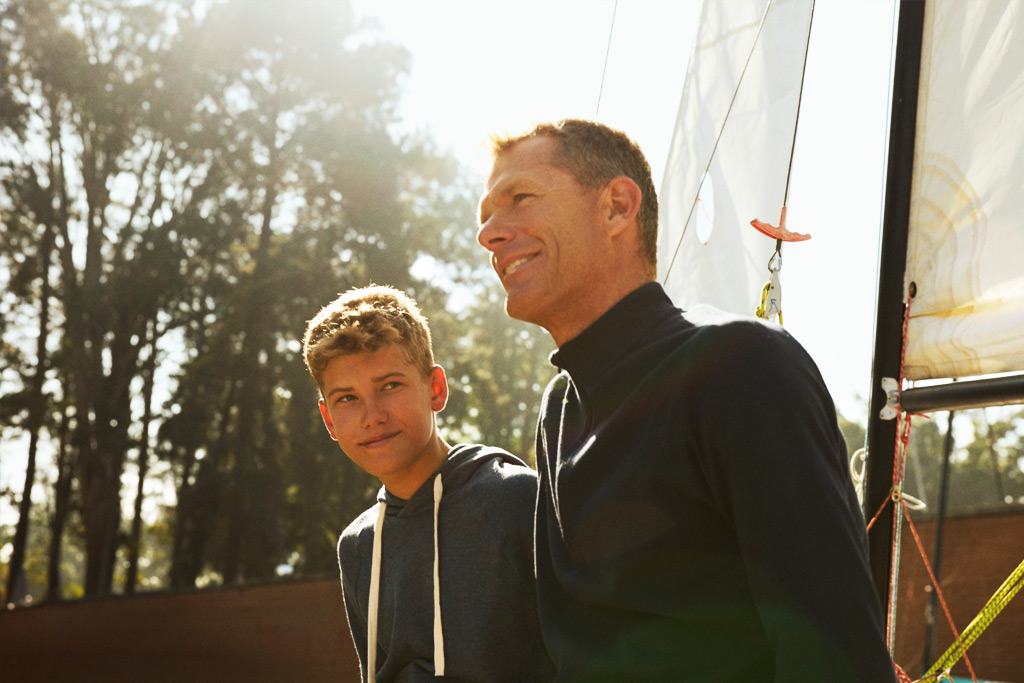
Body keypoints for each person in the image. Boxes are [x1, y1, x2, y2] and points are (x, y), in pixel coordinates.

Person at [476, 119, 898, 682]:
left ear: (617, 207)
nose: (488, 234)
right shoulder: (560, 409)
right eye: (484, 217)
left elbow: (834, 655)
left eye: (520, 198)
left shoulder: (740, 366)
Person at [302, 285, 553, 683]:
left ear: (435, 389)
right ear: (329, 420)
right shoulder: (357, 547)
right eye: (347, 398)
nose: (372, 415)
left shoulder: (517, 499)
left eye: (390, 385)